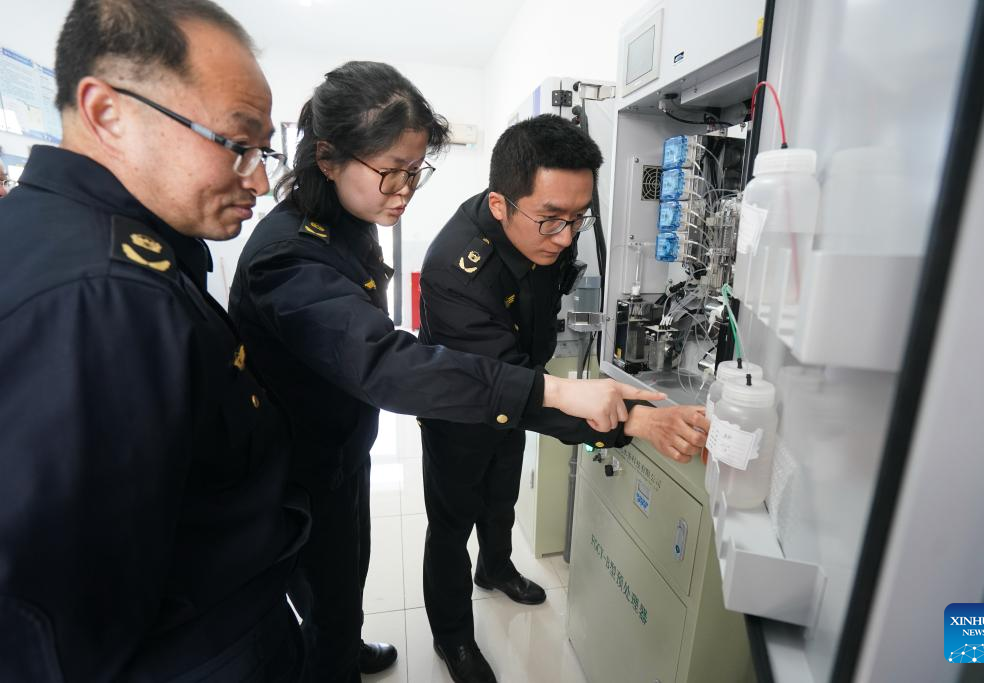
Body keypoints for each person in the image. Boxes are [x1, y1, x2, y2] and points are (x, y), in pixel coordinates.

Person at [228, 62, 667, 682]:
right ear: (327, 158)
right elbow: (383, 363)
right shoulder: (289, 256)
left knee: (349, 573)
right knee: (345, 574)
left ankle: (344, 640)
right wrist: (574, 398)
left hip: (342, 444)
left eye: (415, 171)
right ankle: (362, 650)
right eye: (392, 171)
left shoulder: (350, 224)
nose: (405, 190)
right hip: (300, 463)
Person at [0, 1, 309, 680]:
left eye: (264, 152)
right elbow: (62, 631)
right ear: (108, 112)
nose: (259, 180)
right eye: (237, 144)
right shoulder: (101, 296)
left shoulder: (71, 240)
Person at [418, 114, 711, 683]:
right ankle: (452, 637)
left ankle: (496, 568)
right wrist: (633, 422)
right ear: (500, 204)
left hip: (523, 380)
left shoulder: (543, 232)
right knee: (451, 523)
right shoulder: (456, 271)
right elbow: (508, 388)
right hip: (461, 408)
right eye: (551, 219)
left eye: (578, 218)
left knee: (501, 493)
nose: (565, 236)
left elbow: (528, 367)